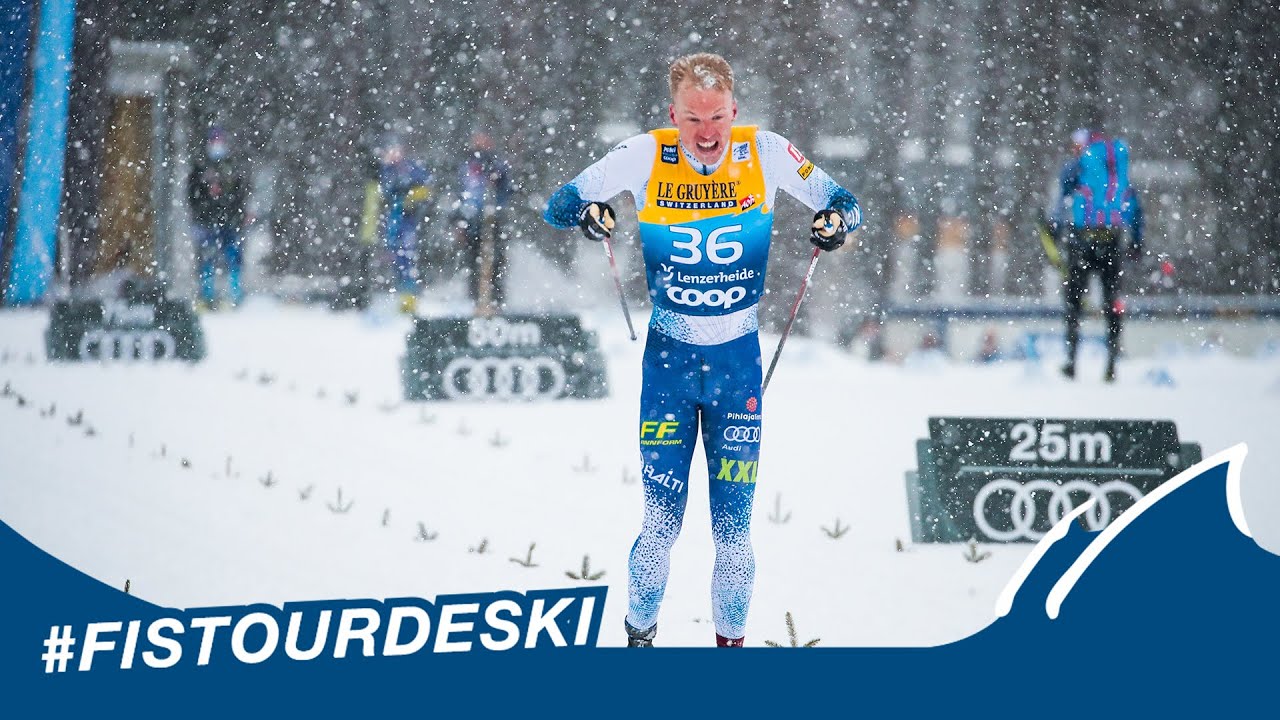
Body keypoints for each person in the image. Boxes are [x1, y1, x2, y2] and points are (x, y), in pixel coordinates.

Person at [542, 53, 862, 648]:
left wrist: (833, 224)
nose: (707, 132)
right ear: (673, 115)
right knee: (661, 524)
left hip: (736, 363)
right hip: (668, 363)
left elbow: (845, 201)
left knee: (734, 533)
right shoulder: (645, 154)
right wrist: (588, 214)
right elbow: (558, 203)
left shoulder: (764, 152)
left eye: (717, 117)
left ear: (734, 112)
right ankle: (640, 646)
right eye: (693, 119)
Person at [1052, 127, 1144, 382]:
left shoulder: (1075, 169)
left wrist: (1056, 231)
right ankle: (1112, 361)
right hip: (1112, 241)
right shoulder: (1117, 173)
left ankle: (1071, 360)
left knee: (1073, 302)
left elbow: (1061, 203)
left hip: (1081, 241)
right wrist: (1136, 241)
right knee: (1112, 302)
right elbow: (1135, 207)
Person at [188, 127, 248, 309]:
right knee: (207, 259)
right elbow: (192, 195)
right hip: (206, 221)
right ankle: (207, 295)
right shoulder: (200, 167)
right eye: (214, 141)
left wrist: (237, 214)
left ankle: (235, 296)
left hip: (229, 222)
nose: (217, 145)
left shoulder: (231, 167)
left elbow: (240, 194)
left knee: (233, 257)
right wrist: (203, 209)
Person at [453, 133, 514, 314]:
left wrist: (498, 179)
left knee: (495, 261)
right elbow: (460, 194)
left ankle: (495, 302)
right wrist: (459, 221)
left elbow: (507, 187)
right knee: (473, 263)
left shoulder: (497, 164)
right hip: (471, 222)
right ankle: (476, 301)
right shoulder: (466, 166)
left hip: (492, 220)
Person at [376, 135, 432, 313]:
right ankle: (402, 298)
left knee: (407, 259)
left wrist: (411, 198)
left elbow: (425, 189)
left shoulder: (411, 168)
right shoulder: (387, 170)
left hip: (409, 221)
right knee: (396, 259)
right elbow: (384, 192)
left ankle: (410, 300)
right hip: (394, 220)